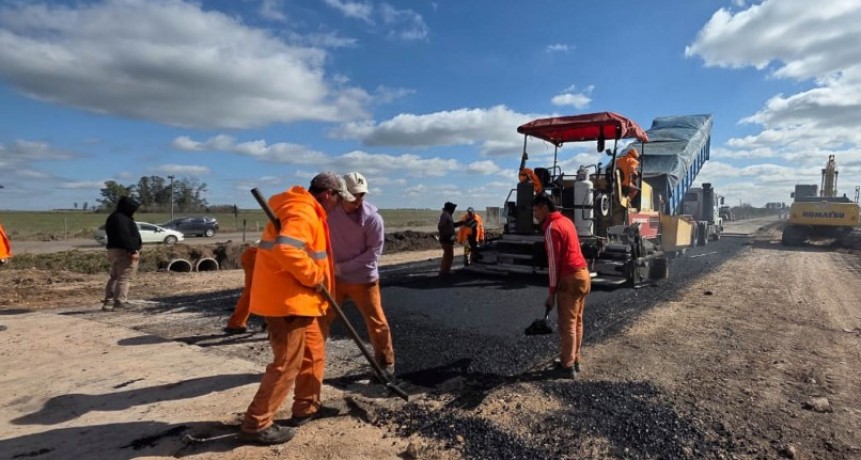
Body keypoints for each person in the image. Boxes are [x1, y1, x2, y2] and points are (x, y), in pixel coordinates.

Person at [238, 171, 355, 445]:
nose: (338, 205)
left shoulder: (306, 208)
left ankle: (306, 407)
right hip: (287, 303)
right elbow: (287, 250)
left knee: (314, 353)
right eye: (338, 199)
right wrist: (315, 276)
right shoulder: (302, 210)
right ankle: (257, 422)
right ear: (328, 194)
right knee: (286, 365)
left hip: (304, 302)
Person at [326, 172, 395, 377]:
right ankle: (309, 362)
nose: (358, 199)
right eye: (353, 195)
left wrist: (342, 267)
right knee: (321, 320)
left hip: (363, 281)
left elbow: (373, 254)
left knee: (376, 322)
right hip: (334, 280)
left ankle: (386, 364)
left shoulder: (373, 219)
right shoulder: (329, 213)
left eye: (361, 195)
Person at [532, 194, 591, 380]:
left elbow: (553, 263)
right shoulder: (567, 222)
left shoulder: (551, 227)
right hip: (583, 275)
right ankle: (574, 360)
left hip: (570, 279)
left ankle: (567, 368)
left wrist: (551, 293)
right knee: (577, 322)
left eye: (535, 210)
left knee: (567, 326)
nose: (534, 215)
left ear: (543, 207)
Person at [102, 196, 142, 311]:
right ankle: (120, 302)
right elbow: (124, 236)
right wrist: (132, 250)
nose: (134, 211)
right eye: (133, 208)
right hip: (124, 251)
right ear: (127, 208)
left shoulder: (114, 217)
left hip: (113, 250)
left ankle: (108, 301)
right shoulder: (122, 219)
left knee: (114, 277)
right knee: (125, 277)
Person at [224, 244, 258, 334]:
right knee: (253, 292)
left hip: (256, 256)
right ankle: (235, 324)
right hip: (257, 257)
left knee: (256, 292)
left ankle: (236, 324)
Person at [437, 201, 463, 276]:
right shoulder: (445, 215)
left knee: (448, 255)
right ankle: (444, 271)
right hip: (446, 238)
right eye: (453, 208)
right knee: (448, 255)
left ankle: (445, 270)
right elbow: (440, 226)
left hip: (448, 238)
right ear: (450, 208)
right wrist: (447, 235)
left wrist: (461, 223)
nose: (454, 210)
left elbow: (451, 225)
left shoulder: (447, 215)